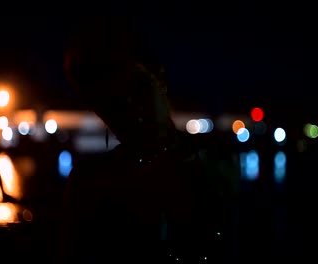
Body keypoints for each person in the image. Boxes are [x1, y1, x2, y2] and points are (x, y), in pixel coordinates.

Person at [58, 16, 239, 263]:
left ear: (161, 80)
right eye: (112, 106)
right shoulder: (88, 183)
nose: (131, 112)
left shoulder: (215, 164)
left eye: (136, 90)